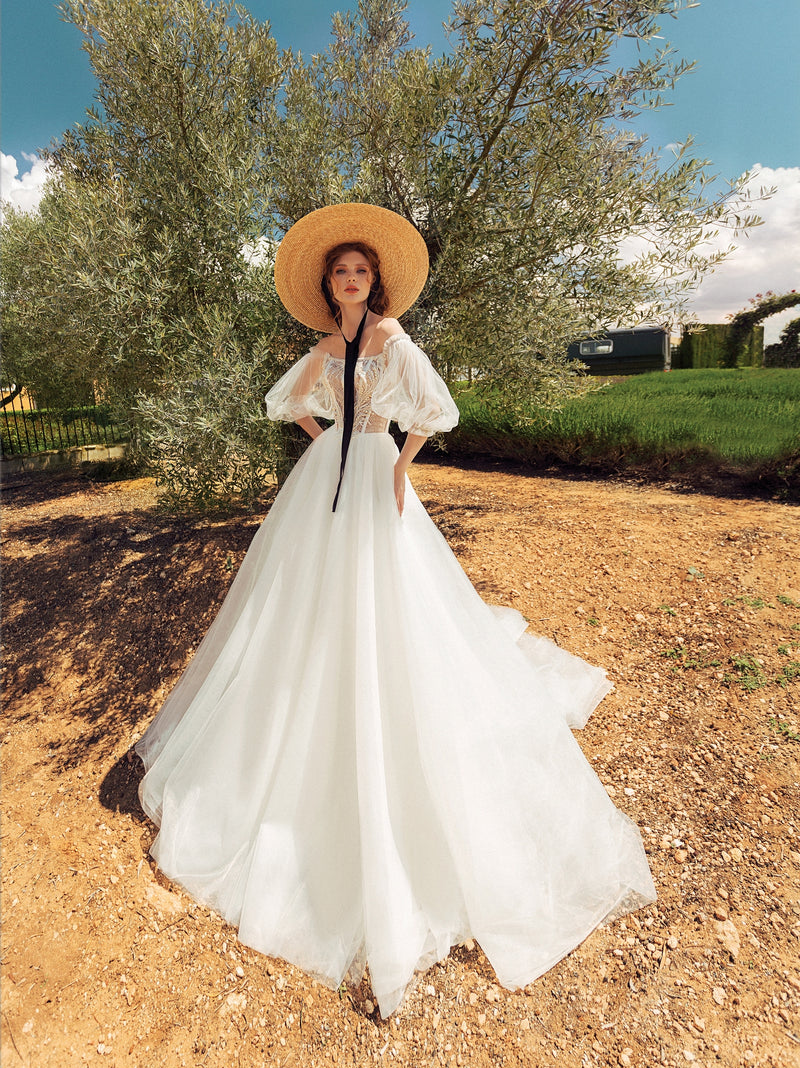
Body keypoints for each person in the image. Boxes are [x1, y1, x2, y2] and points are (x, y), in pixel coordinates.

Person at [136, 203, 656, 1018]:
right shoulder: (322, 348)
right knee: (301, 616)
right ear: (327, 285)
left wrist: (398, 459)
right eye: (341, 272)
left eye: (362, 272)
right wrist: (322, 437)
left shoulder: (393, 342)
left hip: (376, 483)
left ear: (375, 282)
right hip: (323, 490)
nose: (352, 281)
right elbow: (287, 402)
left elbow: (439, 407)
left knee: (389, 610)